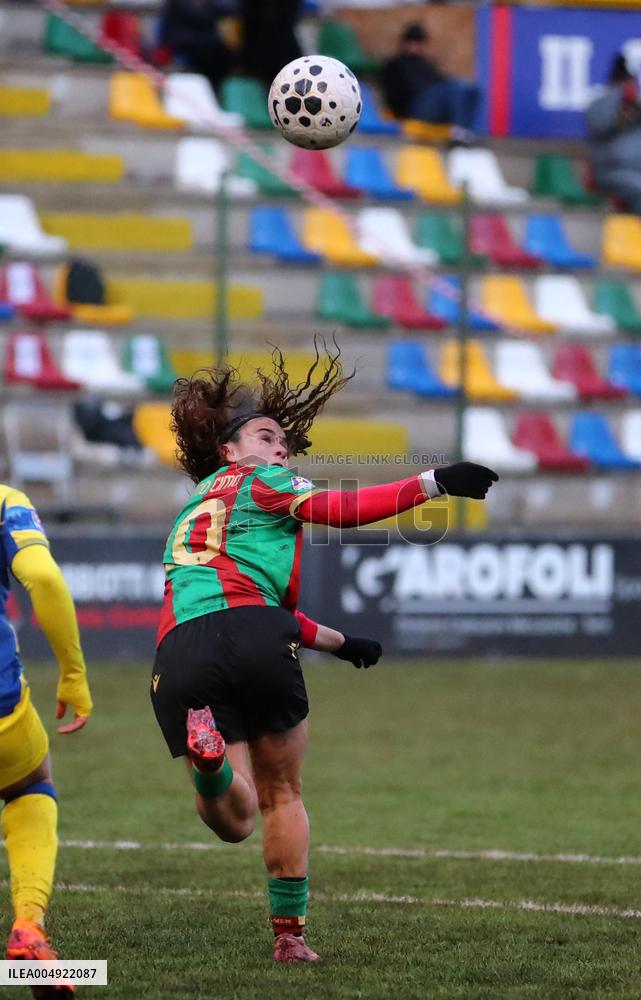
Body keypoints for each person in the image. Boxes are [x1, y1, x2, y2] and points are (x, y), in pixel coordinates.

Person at [150, 342, 498, 964]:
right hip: (255, 638)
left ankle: (211, 766)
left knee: (232, 819)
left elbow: (238, 601)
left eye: (284, 443)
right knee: (281, 793)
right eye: (266, 436)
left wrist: (337, 643)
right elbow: (341, 509)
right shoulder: (265, 483)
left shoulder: (194, 508)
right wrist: (434, 481)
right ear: (229, 449)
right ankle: (290, 939)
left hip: (179, 653)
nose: (280, 448)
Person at [0, 484, 92, 994]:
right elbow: (44, 578)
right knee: (29, 786)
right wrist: (73, 673)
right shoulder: (4, 500)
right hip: (1, 705)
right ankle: (28, 928)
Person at [587, 53, 641, 234]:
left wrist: (640, 107)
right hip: (612, 173)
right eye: (623, 84)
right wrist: (618, 99)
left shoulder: (640, 108)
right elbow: (600, 126)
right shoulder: (600, 106)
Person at [380, 22, 481, 142]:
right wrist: (400, 117)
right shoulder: (395, 65)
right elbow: (392, 96)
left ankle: (466, 130)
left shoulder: (427, 64)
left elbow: (442, 82)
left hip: (435, 102)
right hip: (416, 106)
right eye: (412, 42)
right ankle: (459, 131)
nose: (416, 46)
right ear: (405, 43)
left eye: (419, 42)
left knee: (472, 89)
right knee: (455, 87)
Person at [159, 0, 232, 94]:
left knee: (220, 52)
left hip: (208, 49)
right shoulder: (178, 5)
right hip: (185, 47)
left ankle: (216, 92)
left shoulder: (213, 6)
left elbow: (228, 9)